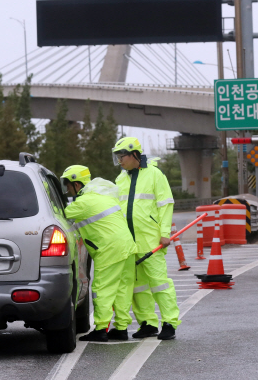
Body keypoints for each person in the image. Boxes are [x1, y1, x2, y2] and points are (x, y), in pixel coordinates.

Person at [112, 137, 180, 340]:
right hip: (129, 243)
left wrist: (165, 234)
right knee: (138, 286)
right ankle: (148, 324)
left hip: (151, 241)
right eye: (117, 156)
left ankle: (169, 323)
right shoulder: (121, 179)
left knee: (160, 283)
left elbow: (165, 204)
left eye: (121, 156)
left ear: (135, 154)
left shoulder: (154, 174)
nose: (119, 161)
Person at [61, 165, 136, 342]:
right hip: (127, 246)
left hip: (109, 249)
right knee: (123, 288)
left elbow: (60, 215)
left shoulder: (83, 203)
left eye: (68, 185)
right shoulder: (103, 197)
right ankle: (121, 328)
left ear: (76, 184)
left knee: (102, 287)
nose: (67, 189)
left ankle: (101, 328)